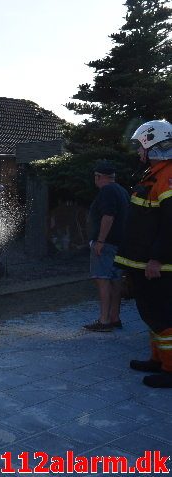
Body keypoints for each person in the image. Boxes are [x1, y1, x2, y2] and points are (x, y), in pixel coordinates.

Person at [115, 119, 172, 388]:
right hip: (144, 261)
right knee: (150, 313)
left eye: (141, 147)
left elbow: (170, 225)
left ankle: (171, 369)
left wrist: (156, 258)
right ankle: (158, 360)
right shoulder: (154, 173)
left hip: (159, 265)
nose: (138, 152)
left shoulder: (168, 177)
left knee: (163, 315)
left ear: (155, 146)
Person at [83, 160, 129, 332]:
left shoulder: (107, 190)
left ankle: (104, 321)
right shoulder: (122, 191)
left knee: (102, 279)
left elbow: (108, 216)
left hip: (107, 244)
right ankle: (115, 317)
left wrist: (100, 241)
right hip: (120, 244)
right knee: (116, 281)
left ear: (99, 176)